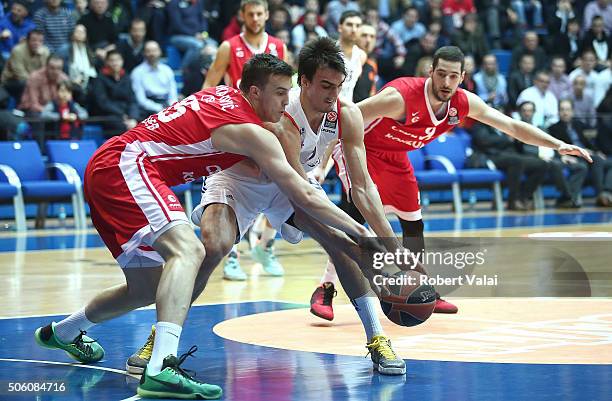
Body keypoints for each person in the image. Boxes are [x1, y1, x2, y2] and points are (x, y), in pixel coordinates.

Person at [33, 53, 374, 400]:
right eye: (280, 93)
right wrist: (362, 233)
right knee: (189, 251)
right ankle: (161, 368)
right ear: (254, 92)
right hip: (128, 165)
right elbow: (301, 191)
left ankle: (63, 331)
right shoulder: (250, 130)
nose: (287, 102)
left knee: (147, 288)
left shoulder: (223, 95)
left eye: (289, 93)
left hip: (109, 168)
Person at [127, 37, 408, 377]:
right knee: (213, 247)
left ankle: (377, 338)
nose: (333, 94)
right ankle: (160, 336)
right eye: (324, 85)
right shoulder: (281, 114)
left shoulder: (346, 114)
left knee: (340, 247)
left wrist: (390, 243)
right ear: (303, 81)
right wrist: (363, 236)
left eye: (338, 86)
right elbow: (301, 192)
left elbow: (362, 187)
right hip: (241, 179)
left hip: (292, 182)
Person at [309, 46, 592, 318]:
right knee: (356, 221)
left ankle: (420, 288)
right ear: (430, 71)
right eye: (441, 74)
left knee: (413, 222)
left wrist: (557, 145)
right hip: (361, 149)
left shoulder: (463, 103)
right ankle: (326, 288)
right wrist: (321, 163)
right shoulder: (401, 97)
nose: (446, 82)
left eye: (453, 76)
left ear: (462, 77)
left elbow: (512, 126)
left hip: (396, 155)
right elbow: (346, 116)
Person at [202, 0, 289, 280]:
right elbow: (209, 85)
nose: (254, 18)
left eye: (259, 13)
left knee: (277, 186)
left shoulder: (278, 46)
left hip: (268, 126)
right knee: (235, 191)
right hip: (238, 126)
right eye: (249, 14)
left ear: (266, 14)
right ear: (242, 16)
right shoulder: (228, 46)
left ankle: (266, 245)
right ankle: (231, 257)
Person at [336, 10, 367, 102]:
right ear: (340, 27)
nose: (354, 30)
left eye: (358, 26)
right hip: (325, 109)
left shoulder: (362, 55)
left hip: (347, 109)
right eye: (349, 25)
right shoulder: (329, 52)